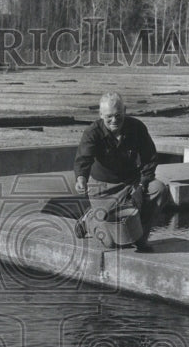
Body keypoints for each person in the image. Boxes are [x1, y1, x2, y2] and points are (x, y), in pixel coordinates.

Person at [73, 92, 172, 252]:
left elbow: (150, 160)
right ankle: (89, 221)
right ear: (101, 115)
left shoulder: (137, 128)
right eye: (109, 117)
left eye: (118, 115)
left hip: (131, 182)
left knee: (159, 189)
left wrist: (141, 186)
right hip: (103, 188)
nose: (114, 121)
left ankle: (140, 237)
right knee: (111, 243)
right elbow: (83, 159)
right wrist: (81, 178)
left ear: (125, 110)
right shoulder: (92, 132)